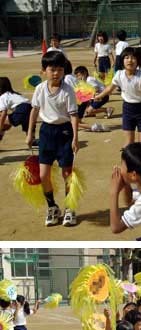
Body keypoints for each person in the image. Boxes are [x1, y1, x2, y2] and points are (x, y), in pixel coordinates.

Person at [26, 50, 79, 227]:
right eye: (52, 69)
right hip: (46, 132)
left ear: (64, 70)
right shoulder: (40, 89)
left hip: (64, 133)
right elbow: (34, 111)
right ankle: (52, 207)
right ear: (44, 71)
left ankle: (70, 208)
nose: (56, 73)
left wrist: (75, 138)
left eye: (60, 69)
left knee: (67, 174)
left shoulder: (68, 90)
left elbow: (73, 115)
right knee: (43, 175)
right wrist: (30, 133)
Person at [0, 77, 34, 142]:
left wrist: (0, 128)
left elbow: (3, 113)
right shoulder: (15, 94)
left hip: (22, 110)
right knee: (30, 137)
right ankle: (34, 141)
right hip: (31, 110)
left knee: (3, 121)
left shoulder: (3, 97)